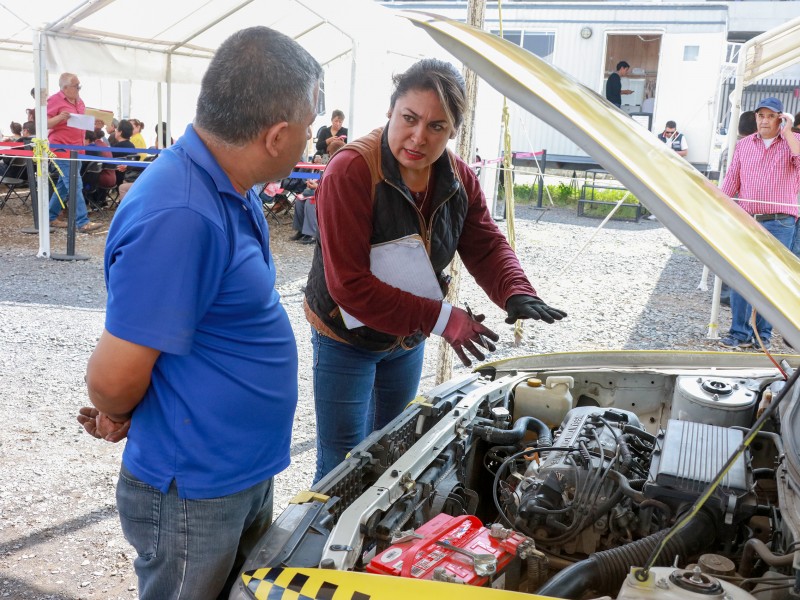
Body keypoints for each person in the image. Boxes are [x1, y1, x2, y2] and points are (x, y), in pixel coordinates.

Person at [77, 26, 321, 600]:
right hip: (195, 488)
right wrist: (117, 409)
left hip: (229, 472)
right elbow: (111, 379)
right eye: (308, 128)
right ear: (276, 134)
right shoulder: (183, 214)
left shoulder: (228, 186)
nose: (309, 142)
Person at [304, 58, 567, 482]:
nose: (418, 137)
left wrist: (515, 290)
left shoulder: (459, 177)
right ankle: (328, 547)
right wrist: (444, 319)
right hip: (345, 337)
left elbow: (484, 241)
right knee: (342, 460)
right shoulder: (351, 170)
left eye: (437, 127)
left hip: (406, 338)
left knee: (393, 445)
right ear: (390, 111)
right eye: (409, 118)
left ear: (453, 131)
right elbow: (348, 286)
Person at [719, 97, 800, 350]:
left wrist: (788, 133)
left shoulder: (792, 144)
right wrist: (720, 210)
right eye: (760, 115)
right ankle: (738, 333)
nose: (764, 120)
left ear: (781, 118)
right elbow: (732, 180)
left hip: (780, 222)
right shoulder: (744, 146)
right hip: (745, 219)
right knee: (742, 276)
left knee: (772, 280)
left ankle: (762, 336)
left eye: (770, 116)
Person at [46, 72, 102, 232]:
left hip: (77, 149)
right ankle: (82, 221)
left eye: (79, 85)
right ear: (65, 87)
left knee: (65, 185)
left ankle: (50, 217)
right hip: (61, 148)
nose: (79, 88)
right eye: (76, 86)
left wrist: (94, 124)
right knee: (75, 183)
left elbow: (82, 123)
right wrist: (60, 118)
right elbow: (43, 122)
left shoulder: (80, 101)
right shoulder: (54, 100)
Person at [717, 110, 757, 305]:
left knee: (730, 254)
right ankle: (733, 296)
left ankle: (725, 294)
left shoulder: (728, 149)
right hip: (742, 207)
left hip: (727, 204)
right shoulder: (748, 148)